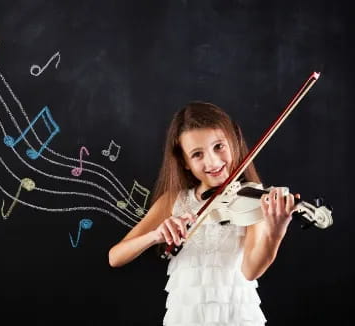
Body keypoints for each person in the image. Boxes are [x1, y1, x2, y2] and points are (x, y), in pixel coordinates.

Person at [108, 101, 298, 325]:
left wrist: (275, 232)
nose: (213, 161)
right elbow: (115, 257)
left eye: (219, 146)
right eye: (197, 154)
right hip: (186, 316)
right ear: (185, 162)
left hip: (235, 315)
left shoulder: (250, 198)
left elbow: (251, 270)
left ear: (234, 142)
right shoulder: (172, 201)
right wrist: (156, 235)